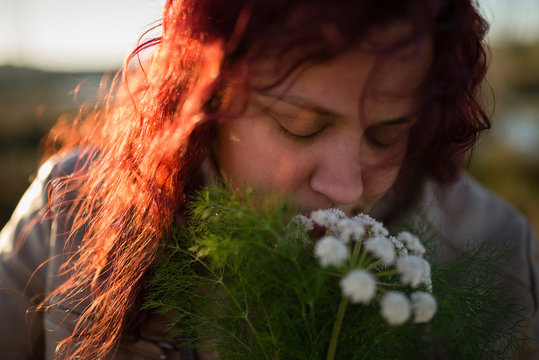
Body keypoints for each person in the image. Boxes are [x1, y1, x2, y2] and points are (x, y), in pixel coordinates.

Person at [1, 0, 538, 359]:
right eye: (299, 127)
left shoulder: (492, 247)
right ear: (206, 100)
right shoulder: (71, 205)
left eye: (384, 136)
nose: (346, 188)